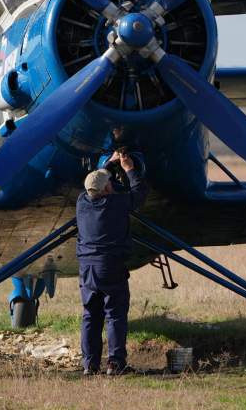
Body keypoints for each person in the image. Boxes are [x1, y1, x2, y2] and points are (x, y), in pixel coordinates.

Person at [75, 150, 148, 376]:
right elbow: (139, 194)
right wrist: (129, 169)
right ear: (108, 189)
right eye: (109, 184)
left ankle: (90, 365)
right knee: (114, 314)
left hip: (86, 269)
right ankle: (115, 363)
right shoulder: (115, 204)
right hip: (109, 266)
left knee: (91, 315)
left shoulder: (82, 203)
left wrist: (109, 163)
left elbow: (98, 183)